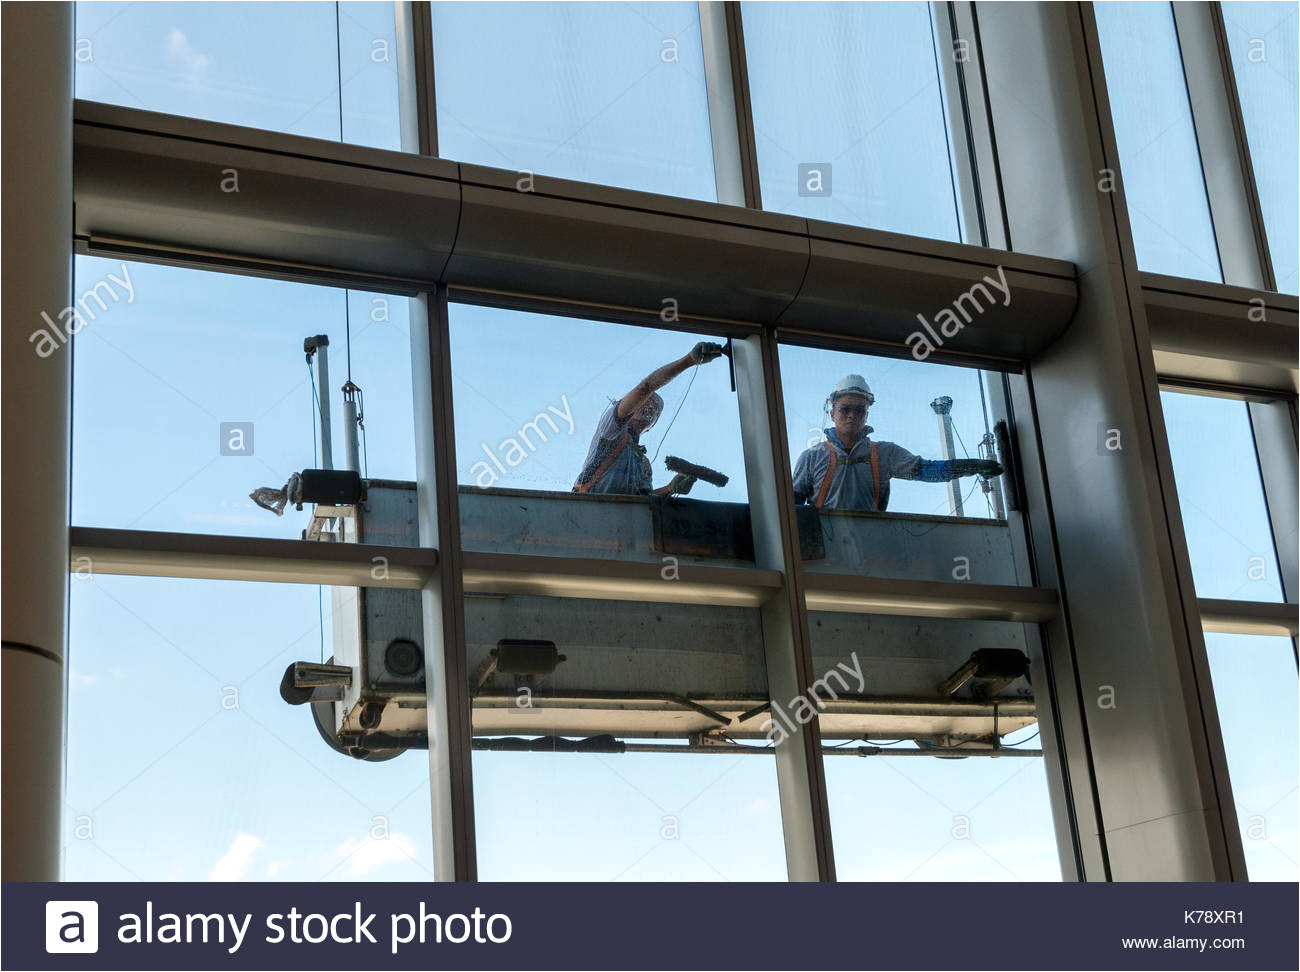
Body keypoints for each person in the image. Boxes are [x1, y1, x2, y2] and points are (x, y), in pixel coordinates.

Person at [792, 375, 1002, 511]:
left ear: (866, 415)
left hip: (872, 545)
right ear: (832, 413)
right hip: (826, 551)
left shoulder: (884, 454)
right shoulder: (812, 457)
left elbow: (927, 470)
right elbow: (792, 505)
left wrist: (973, 466)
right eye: (845, 409)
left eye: (859, 410)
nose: (851, 415)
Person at [573, 341, 727, 496]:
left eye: (657, 410)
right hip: (587, 509)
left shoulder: (643, 463)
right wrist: (689, 361)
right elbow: (646, 387)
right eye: (648, 402)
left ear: (651, 427)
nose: (652, 408)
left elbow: (644, 500)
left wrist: (669, 488)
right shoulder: (612, 428)